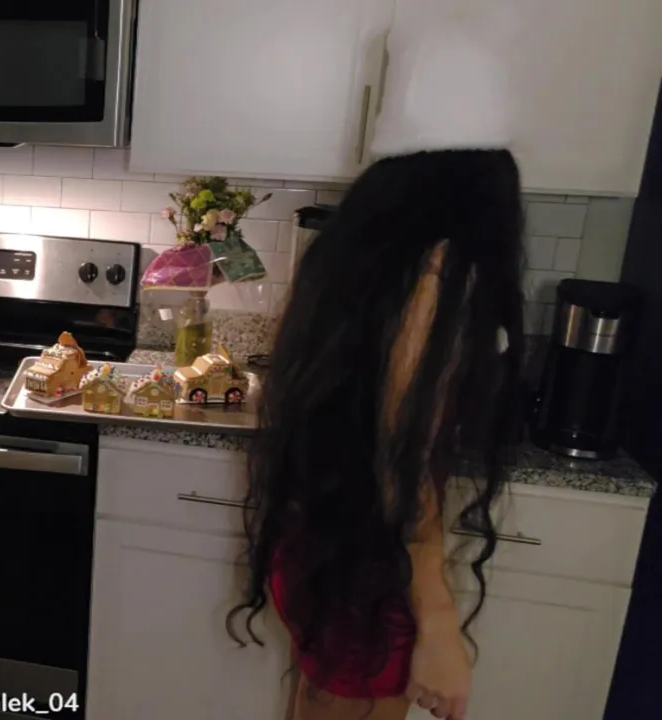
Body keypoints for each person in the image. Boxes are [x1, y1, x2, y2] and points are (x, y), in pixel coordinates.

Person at [228, 17, 526, 720]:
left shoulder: (363, 249)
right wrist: (439, 622)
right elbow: (403, 454)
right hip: (368, 560)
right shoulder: (442, 267)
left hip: (327, 542)